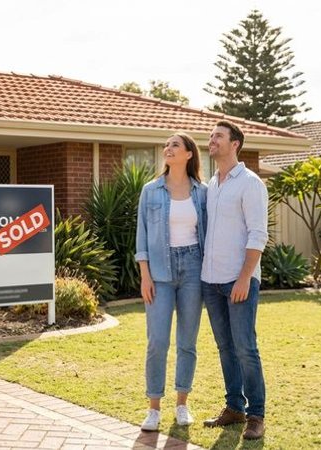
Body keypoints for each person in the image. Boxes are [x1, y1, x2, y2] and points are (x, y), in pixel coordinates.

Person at [201, 120, 269, 441]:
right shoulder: (212, 184)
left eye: (218, 136)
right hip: (211, 281)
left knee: (245, 348)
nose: (211, 140)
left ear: (235, 144)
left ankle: (256, 415)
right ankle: (234, 407)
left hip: (239, 281)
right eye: (211, 136)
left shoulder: (250, 183)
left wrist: (244, 278)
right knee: (225, 347)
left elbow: (258, 234)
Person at [135, 132, 207, 431]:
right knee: (158, 341)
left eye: (175, 145)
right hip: (159, 273)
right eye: (167, 145)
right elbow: (141, 235)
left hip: (193, 269)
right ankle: (153, 409)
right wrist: (145, 275)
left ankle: (182, 404)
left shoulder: (202, 192)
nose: (168, 148)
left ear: (189, 154)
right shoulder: (150, 190)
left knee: (187, 342)